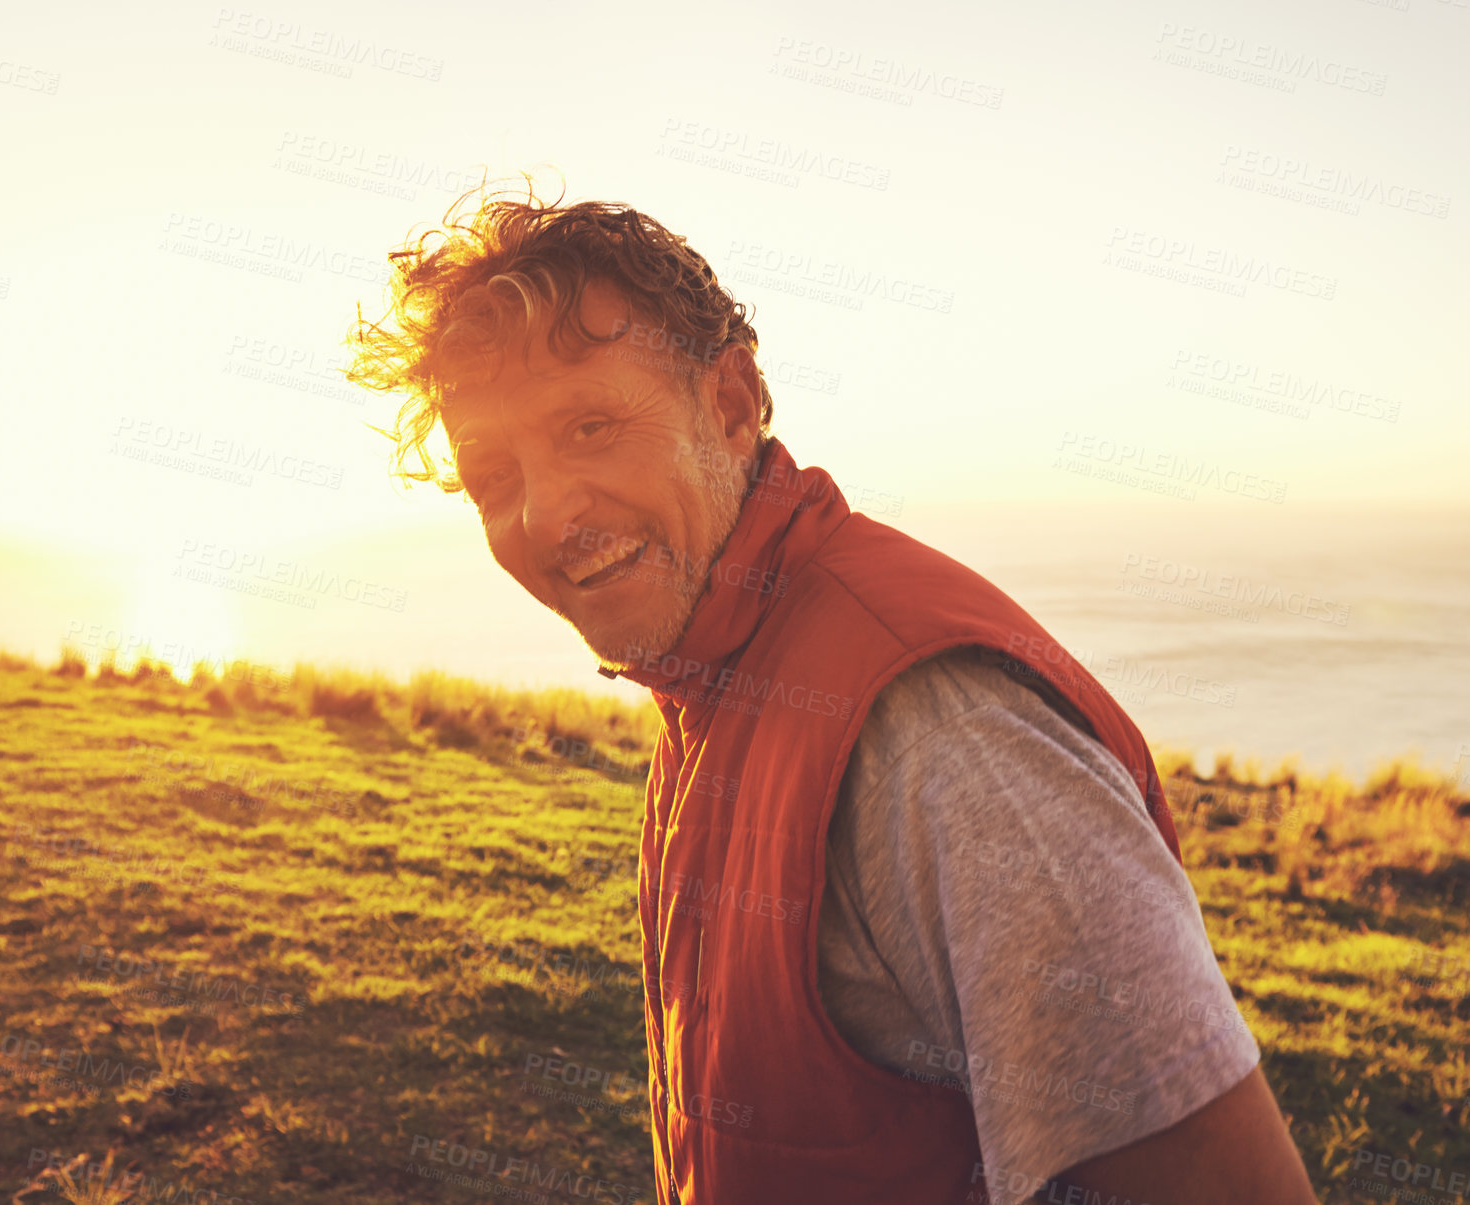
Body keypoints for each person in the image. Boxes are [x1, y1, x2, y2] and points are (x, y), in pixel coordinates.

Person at [346, 181, 1319, 1205]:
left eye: (591, 426)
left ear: (728, 404)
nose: (545, 517)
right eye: (494, 477)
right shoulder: (711, 676)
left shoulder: (937, 733)